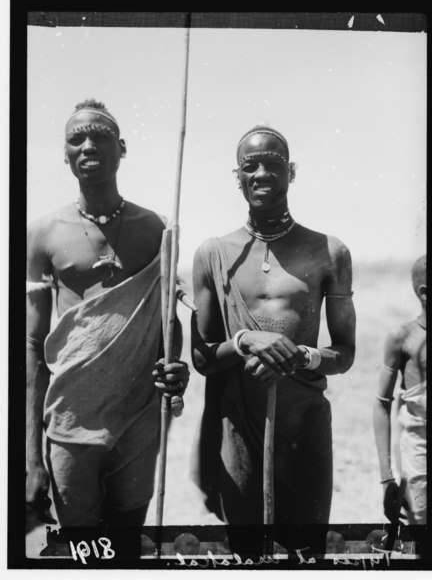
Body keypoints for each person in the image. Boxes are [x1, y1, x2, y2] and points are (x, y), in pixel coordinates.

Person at [26, 99, 189, 538]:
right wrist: (30, 458)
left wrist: (176, 368)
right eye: (76, 138)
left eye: (99, 135)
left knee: (126, 541)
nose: (87, 144)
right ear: (63, 153)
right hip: (69, 417)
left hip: (138, 414)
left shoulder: (158, 229)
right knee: (82, 545)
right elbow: (30, 345)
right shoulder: (42, 233)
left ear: (122, 147)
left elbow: (167, 324)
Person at [191, 125, 356, 555]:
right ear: (237, 176)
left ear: (292, 172)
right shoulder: (213, 253)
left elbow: (345, 353)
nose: (261, 173)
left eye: (273, 164)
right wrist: (245, 339)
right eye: (250, 165)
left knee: (306, 552)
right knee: (247, 552)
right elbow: (203, 358)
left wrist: (302, 356)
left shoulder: (329, 251)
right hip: (239, 423)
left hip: (304, 422)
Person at [373, 255, 427, 526]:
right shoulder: (403, 338)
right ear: (425, 293)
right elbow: (381, 404)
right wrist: (387, 480)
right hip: (421, 461)